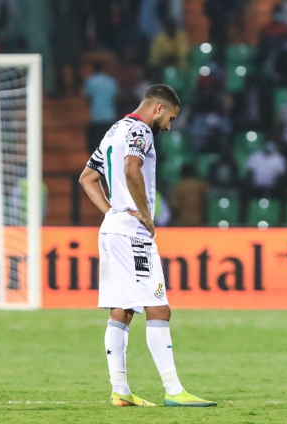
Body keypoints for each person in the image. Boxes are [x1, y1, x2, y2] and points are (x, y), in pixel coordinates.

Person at [78, 84, 216, 407]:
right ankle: (173, 390)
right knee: (159, 308)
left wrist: (112, 211)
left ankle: (120, 390)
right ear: (158, 109)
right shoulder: (140, 130)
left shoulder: (114, 130)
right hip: (133, 234)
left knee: (122, 310)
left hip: (112, 229)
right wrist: (144, 213)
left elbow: (87, 177)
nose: (168, 126)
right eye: (170, 118)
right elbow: (132, 169)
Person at [84, 63, 119, 154]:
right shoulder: (111, 81)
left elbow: (88, 98)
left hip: (96, 116)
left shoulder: (90, 81)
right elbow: (116, 98)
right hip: (110, 115)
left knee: (95, 145)